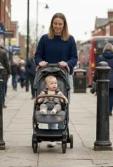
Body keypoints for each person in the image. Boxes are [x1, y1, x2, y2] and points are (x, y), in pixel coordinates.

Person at [35, 13, 78, 147]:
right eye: (55, 23)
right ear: (52, 24)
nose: (57, 26)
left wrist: (67, 64)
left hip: (64, 75)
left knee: (62, 104)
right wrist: (40, 62)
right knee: (49, 102)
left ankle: (61, 131)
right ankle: (52, 133)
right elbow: (37, 55)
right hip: (47, 76)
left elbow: (74, 57)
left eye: (60, 24)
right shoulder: (44, 39)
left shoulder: (70, 39)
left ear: (64, 25)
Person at [93, 43, 113, 116]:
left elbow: (97, 69)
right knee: (111, 96)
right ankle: (110, 110)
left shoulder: (100, 57)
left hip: (102, 80)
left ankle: (103, 110)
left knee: (102, 95)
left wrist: (94, 79)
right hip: (112, 80)